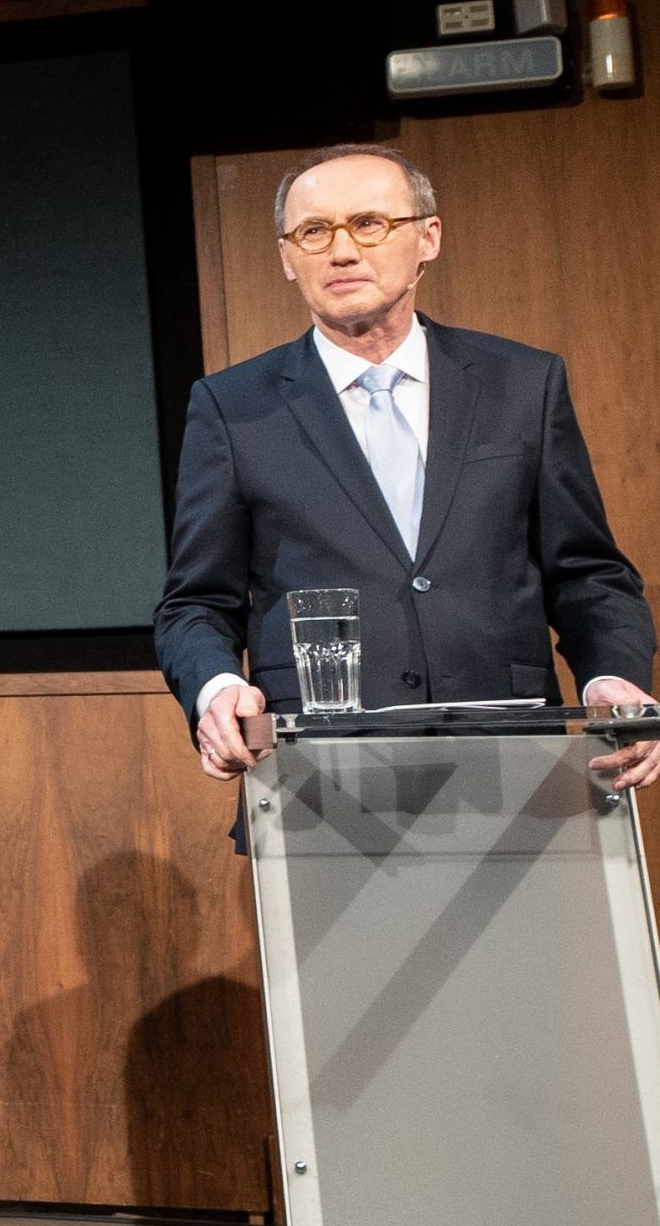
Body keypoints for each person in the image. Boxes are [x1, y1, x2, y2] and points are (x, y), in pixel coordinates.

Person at [156, 142, 657, 788]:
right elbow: (194, 604)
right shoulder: (231, 407)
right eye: (313, 231)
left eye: (369, 224)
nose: (341, 251)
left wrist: (612, 675)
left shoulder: (523, 384)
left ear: (429, 237)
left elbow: (589, 573)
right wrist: (217, 687)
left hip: (517, 772)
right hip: (320, 782)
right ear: (286, 256)